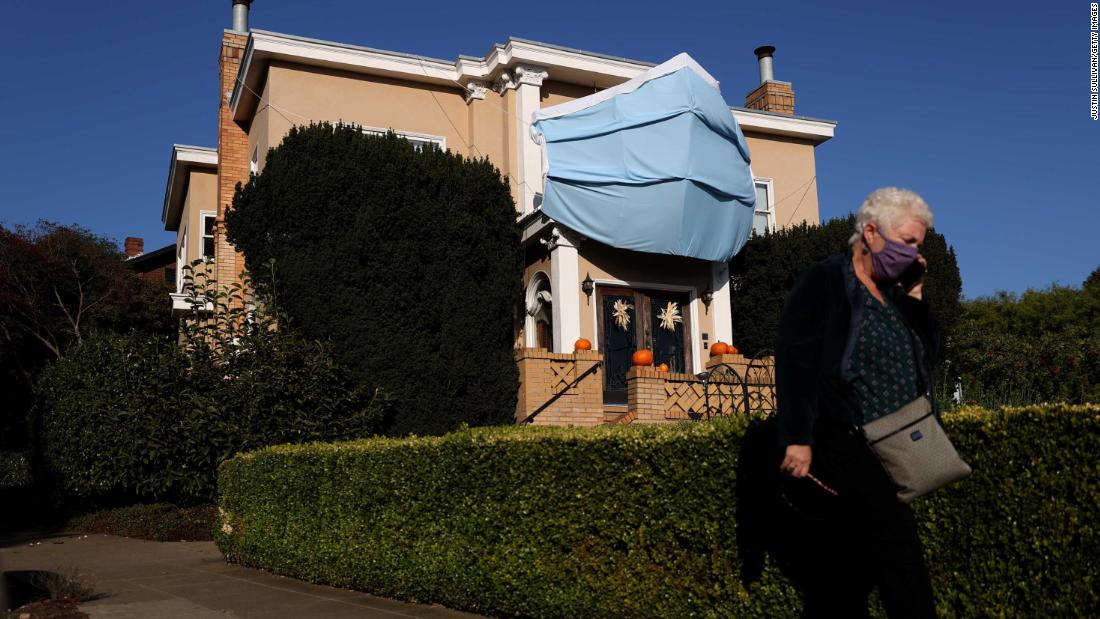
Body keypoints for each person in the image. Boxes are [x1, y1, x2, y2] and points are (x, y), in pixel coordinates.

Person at [772, 187, 941, 618]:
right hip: (843, 435)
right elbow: (796, 357)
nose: (914, 253)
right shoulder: (827, 280)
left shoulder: (897, 295)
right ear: (870, 231)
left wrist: (916, 297)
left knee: (847, 571)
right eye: (906, 241)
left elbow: (931, 354)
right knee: (900, 551)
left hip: (897, 437)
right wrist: (797, 437)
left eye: (918, 246)